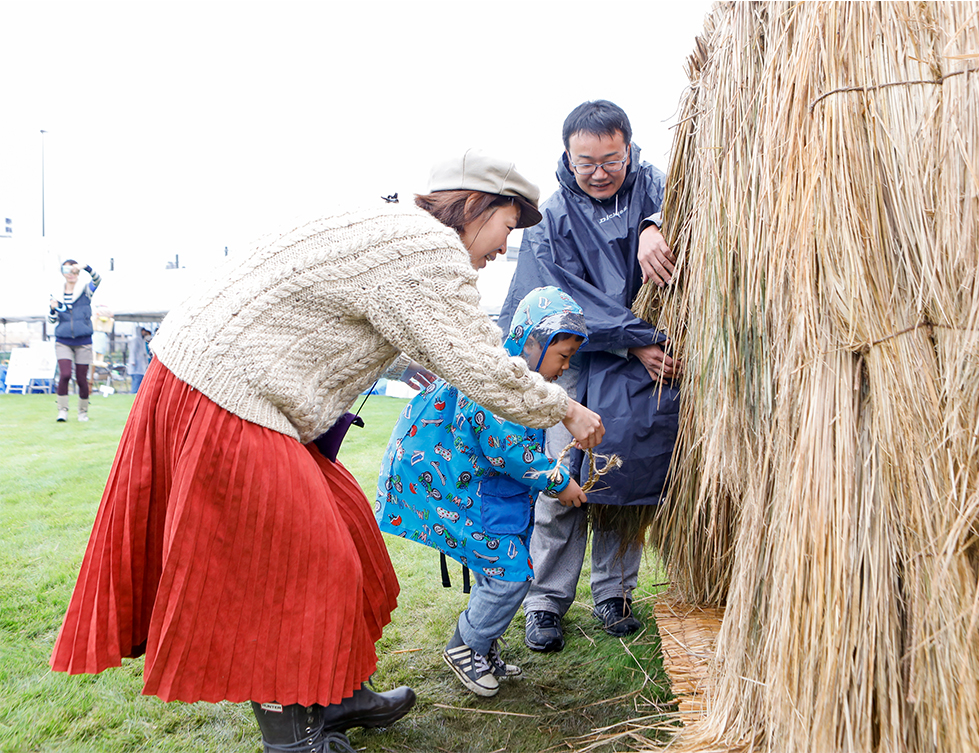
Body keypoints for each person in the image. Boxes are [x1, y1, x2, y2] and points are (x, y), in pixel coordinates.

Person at [50, 149, 604, 753]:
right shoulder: (426, 249)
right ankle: (293, 738)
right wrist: (566, 409)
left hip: (227, 388)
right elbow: (479, 364)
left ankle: (332, 689)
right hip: (228, 396)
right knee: (298, 567)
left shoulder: (390, 228)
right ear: (477, 205)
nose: (504, 246)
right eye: (507, 225)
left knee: (347, 535)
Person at [498, 100, 682, 652]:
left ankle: (615, 592)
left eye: (611, 159)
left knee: (625, 476)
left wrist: (656, 222)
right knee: (559, 477)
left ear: (628, 148)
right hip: (581, 358)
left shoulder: (656, 187)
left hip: (646, 350)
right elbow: (558, 302)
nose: (600, 172)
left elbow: (697, 206)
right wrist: (637, 340)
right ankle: (545, 602)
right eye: (586, 162)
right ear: (567, 156)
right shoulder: (551, 218)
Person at [377, 286, 588, 697]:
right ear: (531, 343)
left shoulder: (521, 385)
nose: (564, 368)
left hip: (491, 501)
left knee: (504, 572)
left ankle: (484, 645)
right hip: (470, 499)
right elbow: (507, 450)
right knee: (509, 579)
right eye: (562, 356)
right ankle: (467, 646)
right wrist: (559, 481)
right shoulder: (496, 385)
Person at [48, 260, 101, 422]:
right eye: (67, 270)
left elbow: (97, 280)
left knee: (81, 378)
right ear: (63, 273)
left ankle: (82, 412)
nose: (71, 273)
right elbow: (52, 320)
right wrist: (52, 308)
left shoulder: (86, 291)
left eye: (74, 270)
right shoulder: (57, 293)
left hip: (83, 341)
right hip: (63, 341)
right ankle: (62, 410)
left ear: (78, 273)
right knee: (64, 375)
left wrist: (85, 267)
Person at [126, 326, 152, 394]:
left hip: (141, 364)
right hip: (136, 364)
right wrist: (133, 361)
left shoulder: (142, 340)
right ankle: (134, 392)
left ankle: (136, 392)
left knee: (139, 379)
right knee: (136, 380)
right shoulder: (135, 340)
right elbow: (133, 351)